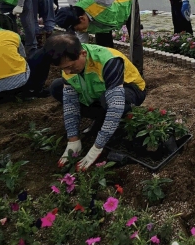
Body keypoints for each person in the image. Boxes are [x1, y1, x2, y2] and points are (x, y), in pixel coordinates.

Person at [47, 34, 146, 171]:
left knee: (109, 102)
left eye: (70, 66)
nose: (68, 71)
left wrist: (97, 147)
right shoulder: (69, 66)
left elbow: (115, 106)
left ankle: (117, 126)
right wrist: (73, 139)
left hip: (130, 90)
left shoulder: (108, 60)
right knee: (56, 87)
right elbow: (70, 103)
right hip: (98, 92)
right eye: (63, 68)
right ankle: (101, 119)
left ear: (82, 53)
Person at [54, 0, 144, 75]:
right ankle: (111, 72)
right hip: (104, 22)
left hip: (127, 2)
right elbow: (83, 48)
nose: (79, 31)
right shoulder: (76, 22)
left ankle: (138, 73)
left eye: (78, 29)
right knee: (103, 47)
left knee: (135, 38)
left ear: (82, 19)